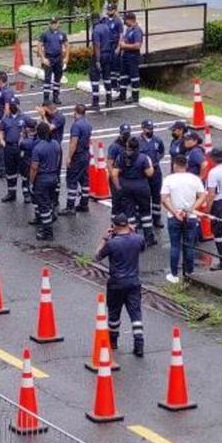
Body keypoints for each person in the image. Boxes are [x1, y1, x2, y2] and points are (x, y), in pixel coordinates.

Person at [95, 213, 147, 357]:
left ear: (115, 226)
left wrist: (105, 239)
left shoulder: (112, 243)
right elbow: (142, 248)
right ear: (128, 225)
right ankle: (139, 344)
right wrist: (133, 231)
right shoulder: (138, 239)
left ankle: (113, 341)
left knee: (114, 313)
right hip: (133, 282)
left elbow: (97, 256)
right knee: (135, 314)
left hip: (116, 283)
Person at [160, 155, 207, 284]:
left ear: (174, 165)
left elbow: (164, 199)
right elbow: (202, 196)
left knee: (175, 246)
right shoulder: (194, 179)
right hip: (190, 216)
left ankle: (174, 274)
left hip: (174, 216)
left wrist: (175, 212)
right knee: (189, 245)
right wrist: (191, 209)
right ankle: (189, 272)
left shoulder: (168, 179)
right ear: (186, 165)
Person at [112, 137, 156, 245]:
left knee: (129, 212)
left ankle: (133, 236)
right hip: (141, 186)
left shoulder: (120, 157)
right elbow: (149, 173)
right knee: (145, 212)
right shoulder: (143, 158)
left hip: (126, 186)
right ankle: (149, 237)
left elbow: (114, 174)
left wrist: (118, 186)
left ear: (127, 146)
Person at [29, 123, 61, 241]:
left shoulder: (37, 148)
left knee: (43, 206)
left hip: (42, 179)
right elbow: (58, 160)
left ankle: (47, 232)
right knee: (50, 202)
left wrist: (31, 182)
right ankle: (47, 226)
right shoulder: (55, 144)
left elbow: (34, 167)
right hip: (53, 177)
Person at [60, 104, 92, 215]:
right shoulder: (88, 124)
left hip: (77, 156)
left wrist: (69, 157)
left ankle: (70, 206)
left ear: (75, 112)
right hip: (85, 154)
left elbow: (74, 142)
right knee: (84, 180)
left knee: (72, 180)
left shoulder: (76, 126)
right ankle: (84, 203)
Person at [0, 97, 29, 202]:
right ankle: (11, 193)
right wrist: (2, 141)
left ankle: (26, 193)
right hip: (9, 147)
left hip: (21, 148)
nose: (12, 107)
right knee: (10, 171)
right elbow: (0, 131)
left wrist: (26, 138)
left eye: (14, 105)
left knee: (25, 171)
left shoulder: (24, 118)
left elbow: (33, 128)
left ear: (18, 105)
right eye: (11, 105)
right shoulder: (5, 119)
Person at [37, 100, 66, 207]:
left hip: (55, 148)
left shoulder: (59, 117)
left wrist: (43, 116)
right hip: (46, 146)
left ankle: (55, 198)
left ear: (48, 108)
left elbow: (48, 128)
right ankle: (47, 196)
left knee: (55, 173)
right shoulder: (48, 116)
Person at [139, 120, 165, 228]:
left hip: (155, 170)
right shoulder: (137, 141)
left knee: (156, 195)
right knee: (143, 195)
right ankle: (142, 218)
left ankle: (157, 218)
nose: (150, 130)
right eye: (148, 128)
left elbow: (162, 151)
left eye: (151, 128)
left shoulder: (157, 140)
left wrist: (156, 160)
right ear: (143, 129)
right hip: (142, 172)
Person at [37, 17, 69, 104]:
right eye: (52, 23)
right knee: (47, 79)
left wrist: (66, 58)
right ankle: (46, 98)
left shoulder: (62, 34)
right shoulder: (45, 34)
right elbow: (39, 46)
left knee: (57, 79)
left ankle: (56, 97)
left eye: (55, 23)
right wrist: (43, 58)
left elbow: (67, 45)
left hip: (58, 58)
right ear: (50, 24)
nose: (54, 25)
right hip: (49, 58)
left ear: (58, 23)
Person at [89, 13, 114, 109]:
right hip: (108, 54)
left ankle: (95, 103)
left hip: (100, 55)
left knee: (94, 78)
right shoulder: (107, 27)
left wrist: (97, 60)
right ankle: (109, 100)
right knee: (107, 77)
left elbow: (97, 45)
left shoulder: (96, 30)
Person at [106, 124, 131, 221]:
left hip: (126, 177)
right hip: (117, 177)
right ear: (120, 134)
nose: (127, 136)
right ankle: (114, 223)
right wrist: (114, 178)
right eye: (125, 134)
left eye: (128, 133)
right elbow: (109, 164)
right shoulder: (114, 147)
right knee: (117, 201)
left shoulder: (130, 144)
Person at [118, 12, 143, 104]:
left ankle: (135, 96)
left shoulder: (137, 31)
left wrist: (125, 46)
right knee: (123, 75)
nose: (124, 22)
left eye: (125, 20)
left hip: (133, 56)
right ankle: (122, 94)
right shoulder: (129, 29)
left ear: (131, 20)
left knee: (134, 76)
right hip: (125, 56)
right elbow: (125, 39)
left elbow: (137, 45)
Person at [19, 119, 39, 205]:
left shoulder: (25, 142)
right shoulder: (39, 139)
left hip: (26, 163)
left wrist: (22, 135)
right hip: (37, 163)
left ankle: (26, 194)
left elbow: (20, 144)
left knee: (25, 179)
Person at [106, 3, 124, 96]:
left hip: (115, 44)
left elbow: (121, 35)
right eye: (108, 10)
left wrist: (118, 46)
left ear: (114, 10)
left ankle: (118, 84)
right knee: (110, 65)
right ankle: (112, 84)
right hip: (107, 45)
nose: (109, 11)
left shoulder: (118, 21)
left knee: (116, 66)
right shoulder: (105, 21)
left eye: (111, 10)